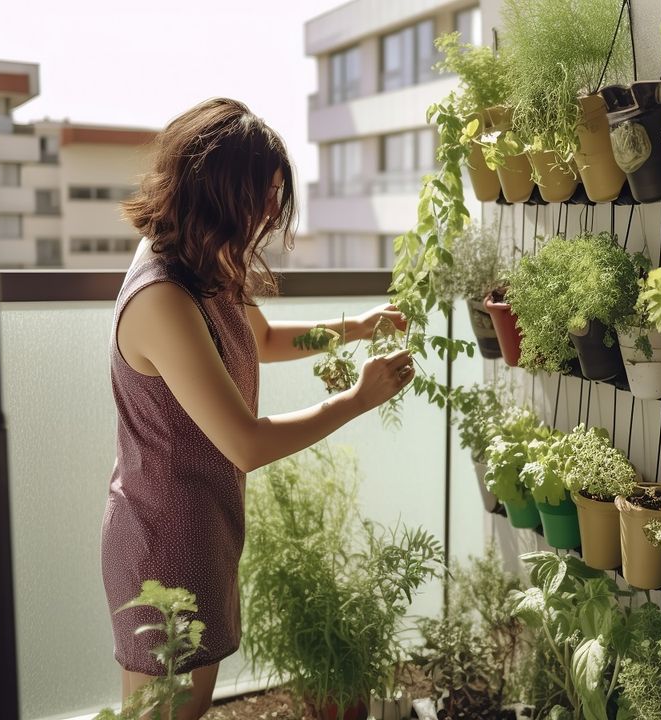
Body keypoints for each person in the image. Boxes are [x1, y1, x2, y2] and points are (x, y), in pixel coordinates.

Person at [101, 97, 414, 719]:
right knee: (163, 714)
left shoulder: (204, 261)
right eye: (262, 192)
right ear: (214, 188)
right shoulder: (162, 296)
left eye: (276, 192)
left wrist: (353, 328)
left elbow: (261, 340)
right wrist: (357, 399)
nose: (272, 210)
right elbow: (244, 442)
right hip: (162, 545)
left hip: (203, 525)